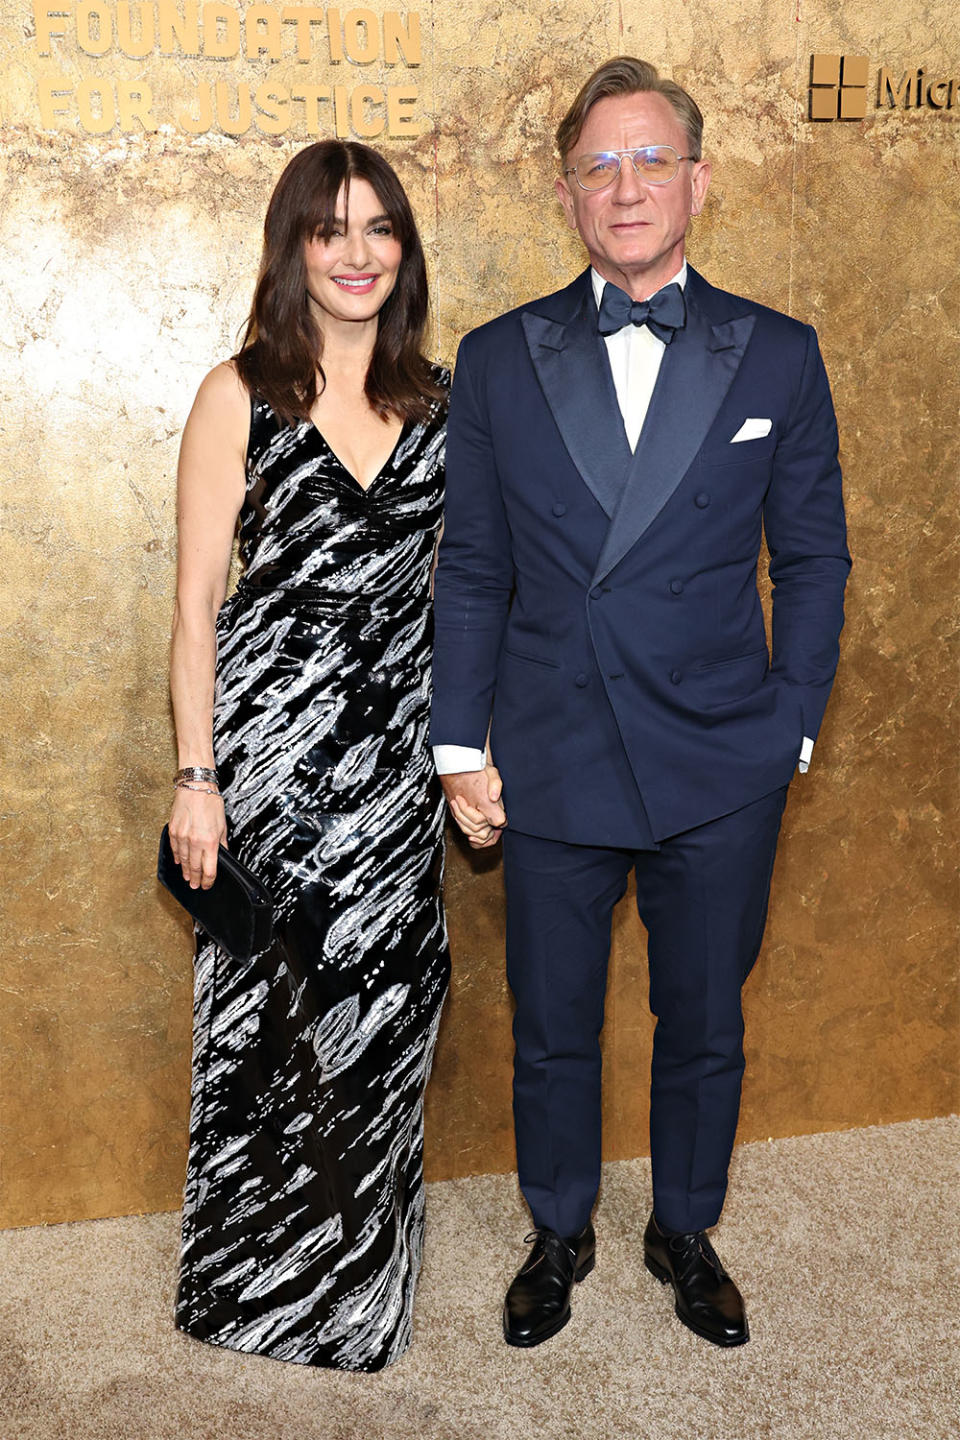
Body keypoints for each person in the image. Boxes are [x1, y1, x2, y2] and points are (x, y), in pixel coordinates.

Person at [431, 57, 850, 1350]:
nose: (627, 185)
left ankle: (684, 1225)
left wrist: (792, 720)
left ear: (697, 180)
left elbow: (817, 556)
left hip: (721, 755)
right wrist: (459, 740)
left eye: (650, 158)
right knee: (553, 1027)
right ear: (568, 195)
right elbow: (477, 564)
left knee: (704, 1018)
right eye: (599, 164)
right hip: (552, 750)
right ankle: (559, 1229)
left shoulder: (779, 353)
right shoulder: (497, 358)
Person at [167, 140, 452, 1371]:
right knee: (269, 1023)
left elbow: (469, 595)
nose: (357, 253)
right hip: (270, 774)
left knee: (384, 1024)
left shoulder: (442, 405)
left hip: (393, 767)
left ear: (405, 251)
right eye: (331, 230)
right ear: (293, 247)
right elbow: (196, 611)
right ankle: (250, 1289)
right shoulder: (239, 393)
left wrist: (464, 755)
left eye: (381, 229)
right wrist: (196, 780)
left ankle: (358, 1280)